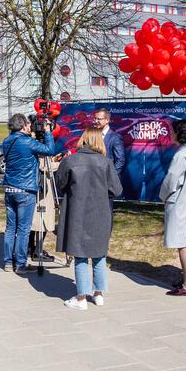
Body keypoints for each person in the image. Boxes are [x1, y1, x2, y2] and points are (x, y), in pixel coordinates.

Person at [55, 128, 123, 310]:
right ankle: (98, 294)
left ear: (83, 140)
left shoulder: (70, 161)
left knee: (80, 256)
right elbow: (116, 190)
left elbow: (60, 185)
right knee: (99, 255)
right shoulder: (106, 163)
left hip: (77, 213)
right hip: (100, 213)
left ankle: (81, 298)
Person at [2, 113, 55, 274]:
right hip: (25, 189)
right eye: (28, 124)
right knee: (24, 229)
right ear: (23, 125)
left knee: (11, 228)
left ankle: (8, 262)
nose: (30, 126)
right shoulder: (27, 141)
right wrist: (47, 132)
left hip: (10, 188)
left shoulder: (7, 141)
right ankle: (20, 263)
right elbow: (49, 150)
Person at [159, 120, 186, 296]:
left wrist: (163, 196)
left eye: (172, 131)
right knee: (184, 241)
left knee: (182, 243)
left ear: (179, 133)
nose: (170, 134)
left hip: (178, 202)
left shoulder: (181, 155)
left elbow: (172, 179)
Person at [93, 108, 125, 176]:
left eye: (99, 119)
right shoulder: (92, 136)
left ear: (107, 120)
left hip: (108, 180)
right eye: (95, 118)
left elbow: (120, 160)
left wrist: (112, 177)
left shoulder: (115, 137)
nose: (96, 121)